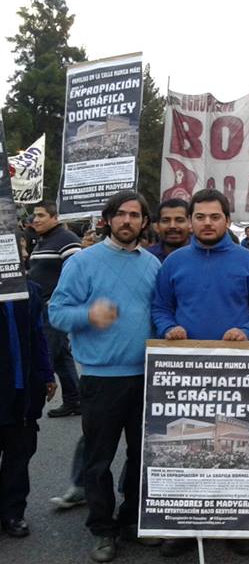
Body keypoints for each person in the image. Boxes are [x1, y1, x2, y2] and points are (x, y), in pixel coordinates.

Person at [152, 189, 249, 557]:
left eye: (215, 217)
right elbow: (160, 307)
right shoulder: (173, 263)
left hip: (236, 371)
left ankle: (241, 524)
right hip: (185, 372)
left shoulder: (248, 262)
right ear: (191, 221)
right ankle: (182, 525)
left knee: (241, 446)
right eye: (201, 217)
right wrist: (167, 328)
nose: (207, 223)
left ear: (226, 219)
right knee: (188, 449)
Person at [48, 191, 162, 563]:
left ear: (145, 222)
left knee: (140, 456)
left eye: (135, 215)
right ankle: (102, 528)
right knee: (98, 461)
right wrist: (88, 316)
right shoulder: (83, 262)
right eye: (121, 214)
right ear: (108, 218)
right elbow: (58, 313)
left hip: (146, 374)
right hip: (101, 378)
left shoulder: (153, 264)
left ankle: (131, 520)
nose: (128, 221)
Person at [1, 281, 55, 539]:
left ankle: (13, 513)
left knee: (19, 455)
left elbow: (38, 334)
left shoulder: (30, 290)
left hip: (24, 390)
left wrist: (46, 374)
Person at [27, 201, 81, 418]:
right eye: (34, 216)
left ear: (55, 217)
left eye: (41, 215)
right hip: (40, 308)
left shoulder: (67, 240)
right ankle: (74, 400)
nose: (36, 220)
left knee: (46, 353)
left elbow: (77, 274)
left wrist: (60, 301)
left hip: (54, 309)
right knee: (61, 357)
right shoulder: (43, 241)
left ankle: (30, 406)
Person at [146, 198, 190, 263]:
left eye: (179, 220)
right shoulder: (147, 258)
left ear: (190, 223)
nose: (172, 226)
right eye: (165, 221)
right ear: (157, 226)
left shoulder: (204, 255)